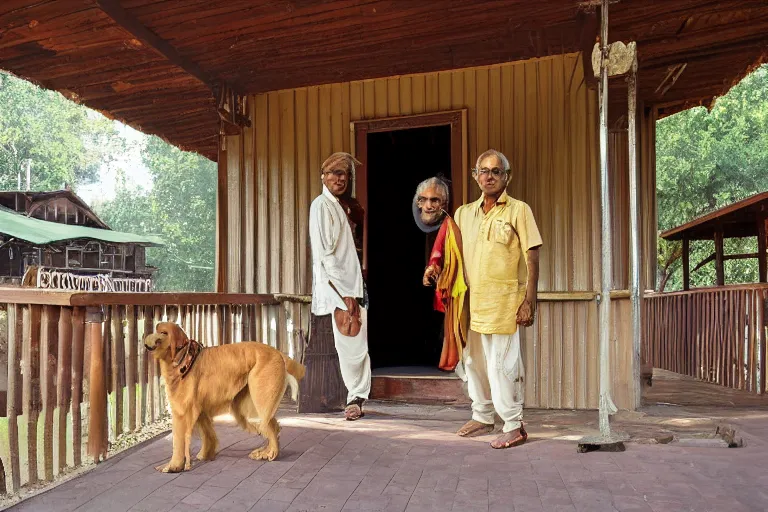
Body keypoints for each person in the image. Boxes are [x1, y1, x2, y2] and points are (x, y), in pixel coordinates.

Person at [447, 149, 542, 449]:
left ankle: (514, 425)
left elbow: (532, 255)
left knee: (502, 364)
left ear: (507, 177)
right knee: (473, 360)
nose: (489, 176)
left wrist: (530, 300)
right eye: (483, 171)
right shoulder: (464, 213)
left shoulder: (518, 210)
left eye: (496, 171)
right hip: (471, 302)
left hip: (504, 302)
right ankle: (483, 415)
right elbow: (452, 253)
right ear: (476, 176)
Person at [308, 152, 371, 420]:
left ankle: (358, 395)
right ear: (323, 176)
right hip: (342, 287)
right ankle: (354, 397)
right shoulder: (322, 205)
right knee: (350, 339)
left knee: (357, 339)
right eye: (334, 173)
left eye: (345, 174)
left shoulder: (343, 205)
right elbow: (326, 255)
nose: (340, 178)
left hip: (354, 282)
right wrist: (344, 293)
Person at [416, 176, 468, 371]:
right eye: (424, 200)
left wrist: (434, 267)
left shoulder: (451, 224)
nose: (429, 205)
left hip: (449, 287)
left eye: (435, 200)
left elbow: (440, 252)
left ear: (444, 203)